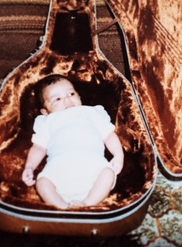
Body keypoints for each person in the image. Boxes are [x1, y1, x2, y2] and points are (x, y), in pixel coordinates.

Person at [22, 74, 124, 209]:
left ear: (79, 97)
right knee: (42, 183)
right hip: (59, 169)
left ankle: (87, 204)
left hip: (93, 164)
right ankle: (63, 208)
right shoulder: (48, 121)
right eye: (57, 99)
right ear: (45, 111)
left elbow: (109, 135)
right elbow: (39, 147)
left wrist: (118, 155)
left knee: (108, 173)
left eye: (71, 93)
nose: (67, 99)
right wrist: (29, 166)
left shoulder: (90, 113)